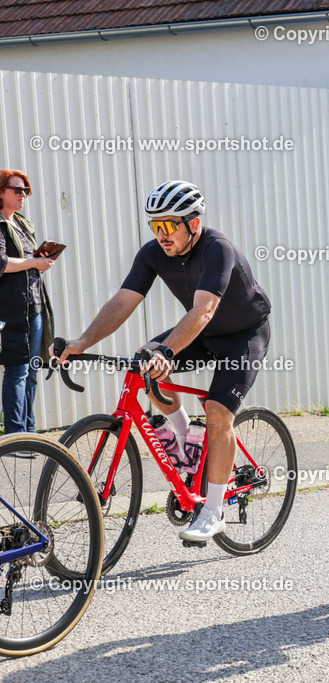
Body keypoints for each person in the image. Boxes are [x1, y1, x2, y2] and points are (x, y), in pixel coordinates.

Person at [54, 180, 272, 542]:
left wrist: (168, 350)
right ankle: (188, 445)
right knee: (145, 364)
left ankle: (213, 510)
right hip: (202, 332)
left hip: (242, 334)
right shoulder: (153, 253)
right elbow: (122, 302)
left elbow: (203, 310)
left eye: (169, 225)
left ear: (194, 224)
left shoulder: (217, 248)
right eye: (155, 226)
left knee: (218, 412)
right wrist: (80, 342)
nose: (161, 234)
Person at [0, 169, 57, 433]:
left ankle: (29, 432)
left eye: (25, 190)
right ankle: (15, 435)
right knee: (17, 371)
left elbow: (25, 261)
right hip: (13, 309)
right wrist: (35, 262)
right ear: (1, 192)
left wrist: (41, 258)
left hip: (34, 306)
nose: (23, 195)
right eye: (17, 189)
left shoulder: (20, 224)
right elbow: (2, 263)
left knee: (31, 371)